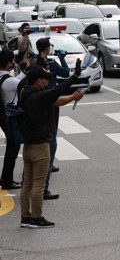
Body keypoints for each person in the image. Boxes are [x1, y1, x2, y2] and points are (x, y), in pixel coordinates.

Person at [19, 61, 83, 229]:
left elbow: (55, 95)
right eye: (45, 79)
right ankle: (37, 217)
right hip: (40, 146)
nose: (47, 82)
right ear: (38, 81)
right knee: (39, 184)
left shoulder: (24, 92)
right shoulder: (39, 97)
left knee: (27, 184)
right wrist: (75, 75)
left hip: (27, 146)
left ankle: (25, 217)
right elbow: (57, 90)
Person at [35, 37, 70, 200]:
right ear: (46, 49)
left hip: (39, 104)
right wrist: (62, 58)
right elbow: (65, 73)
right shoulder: (49, 64)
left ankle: (45, 169)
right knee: (52, 137)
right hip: (51, 102)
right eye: (49, 46)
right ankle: (46, 177)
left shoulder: (34, 63)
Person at [0, 48, 25, 190]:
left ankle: (5, 178)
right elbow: (21, 84)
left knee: (11, 149)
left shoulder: (4, 78)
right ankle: (7, 180)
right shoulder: (9, 81)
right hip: (11, 119)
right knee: (12, 151)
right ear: (9, 63)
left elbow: (17, 80)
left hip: (3, 116)